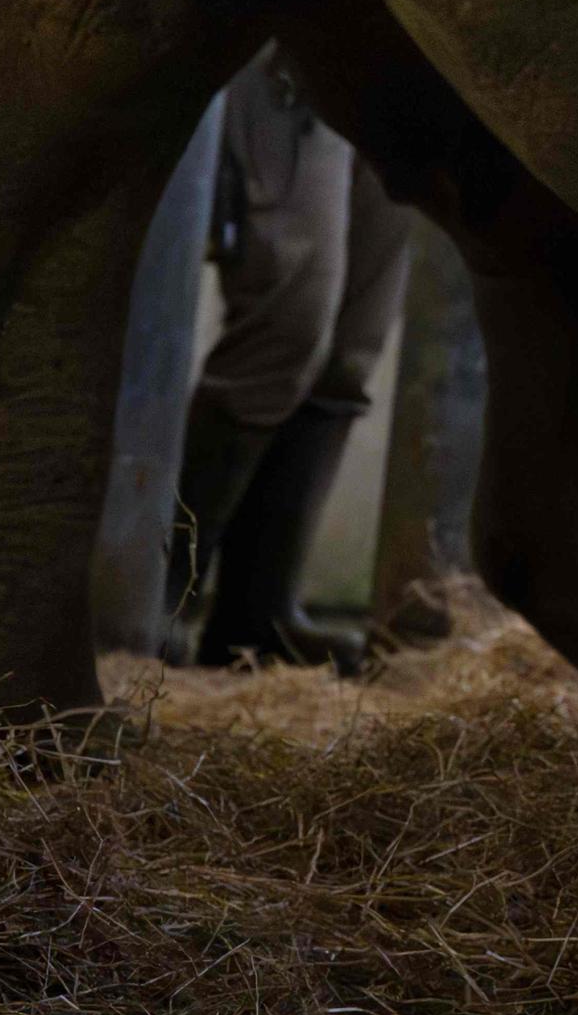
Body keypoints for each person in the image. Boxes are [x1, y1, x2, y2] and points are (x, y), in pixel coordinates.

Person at [164, 46, 411, 672]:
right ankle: (162, 601)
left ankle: (257, 617)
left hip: (412, 60)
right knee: (286, 325)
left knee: (352, 350)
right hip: (296, 46)